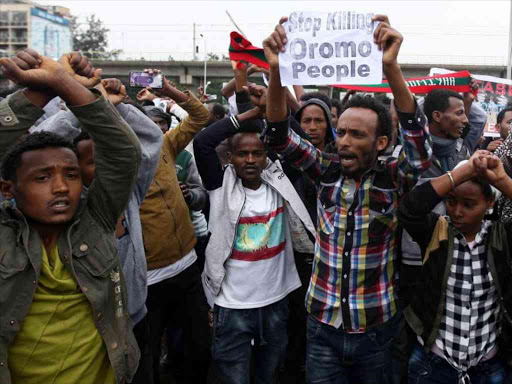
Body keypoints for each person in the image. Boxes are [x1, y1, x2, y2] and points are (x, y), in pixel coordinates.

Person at [262, 15, 432, 383]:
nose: (343, 142)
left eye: (357, 134)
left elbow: (420, 150)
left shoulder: (392, 177)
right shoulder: (325, 170)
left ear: (381, 143)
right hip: (321, 325)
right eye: (340, 132)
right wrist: (275, 70)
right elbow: (278, 136)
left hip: (375, 328)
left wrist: (391, 67)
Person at [0, 49, 141, 384]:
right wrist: (40, 91)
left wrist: (61, 80)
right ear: (8, 189)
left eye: (71, 175)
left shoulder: (97, 218)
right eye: (42, 178)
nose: (61, 188)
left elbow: (124, 153)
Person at [32, 78, 163, 384]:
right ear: (73, 169)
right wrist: (83, 106)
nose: (108, 168)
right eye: (94, 161)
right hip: (82, 333)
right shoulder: (56, 209)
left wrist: (111, 106)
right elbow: (36, 144)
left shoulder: (130, 193)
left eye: (113, 159)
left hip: (134, 319)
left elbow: (151, 139)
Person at [193, 88, 316, 384]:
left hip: (276, 302)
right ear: (231, 157)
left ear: (266, 156)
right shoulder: (220, 186)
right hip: (231, 307)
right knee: (233, 377)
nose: (250, 160)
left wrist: (275, 113)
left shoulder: (280, 179)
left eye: (257, 153)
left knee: (269, 374)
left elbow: (306, 145)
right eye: (242, 154)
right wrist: (250, 115)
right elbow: (202, 141)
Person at [397, 151, 512, 384]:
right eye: (450, 201)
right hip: (432, 364)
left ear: (490, 203)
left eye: (469, 204)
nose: (457, 211)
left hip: (487, 367)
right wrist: (463, 172)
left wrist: (501, 180)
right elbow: (409, 208)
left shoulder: (502, 238)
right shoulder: (435, 231)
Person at [138, 70, 211, 384]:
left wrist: (167, 89)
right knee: (147, 355)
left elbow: (200, 115)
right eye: (144, 130)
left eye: (158, 128)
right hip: (147, 281)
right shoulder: (115, 165)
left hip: (188, 267)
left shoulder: (167, 146)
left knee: (199, 348)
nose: (153, 135)